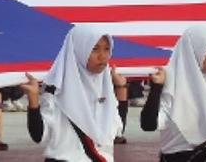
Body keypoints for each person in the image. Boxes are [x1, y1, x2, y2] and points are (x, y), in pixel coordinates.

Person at [22, 25, 128, 161]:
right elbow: (39, 135)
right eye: (94, 49)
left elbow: (117, 129)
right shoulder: (56, 90)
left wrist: (121, 88)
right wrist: (33, 101)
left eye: (107, 49)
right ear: (78, 50)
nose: (103, 56)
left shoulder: (105, 84)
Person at [140, 26, 206, 161]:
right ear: (192, 52)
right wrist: (156, 88)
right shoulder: (172, 80)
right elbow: (148, 125)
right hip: (177, 157)